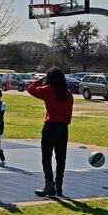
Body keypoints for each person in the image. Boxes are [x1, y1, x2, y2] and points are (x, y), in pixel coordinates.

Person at [27, 67, 73, 197]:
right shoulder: (68, 94)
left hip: (50, 127)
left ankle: (49, 185)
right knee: (61, 158)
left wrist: (42, 79)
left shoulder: (47, 91)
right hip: (63, 128)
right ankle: (59, 186)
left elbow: (30, 88)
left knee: (46, 158)